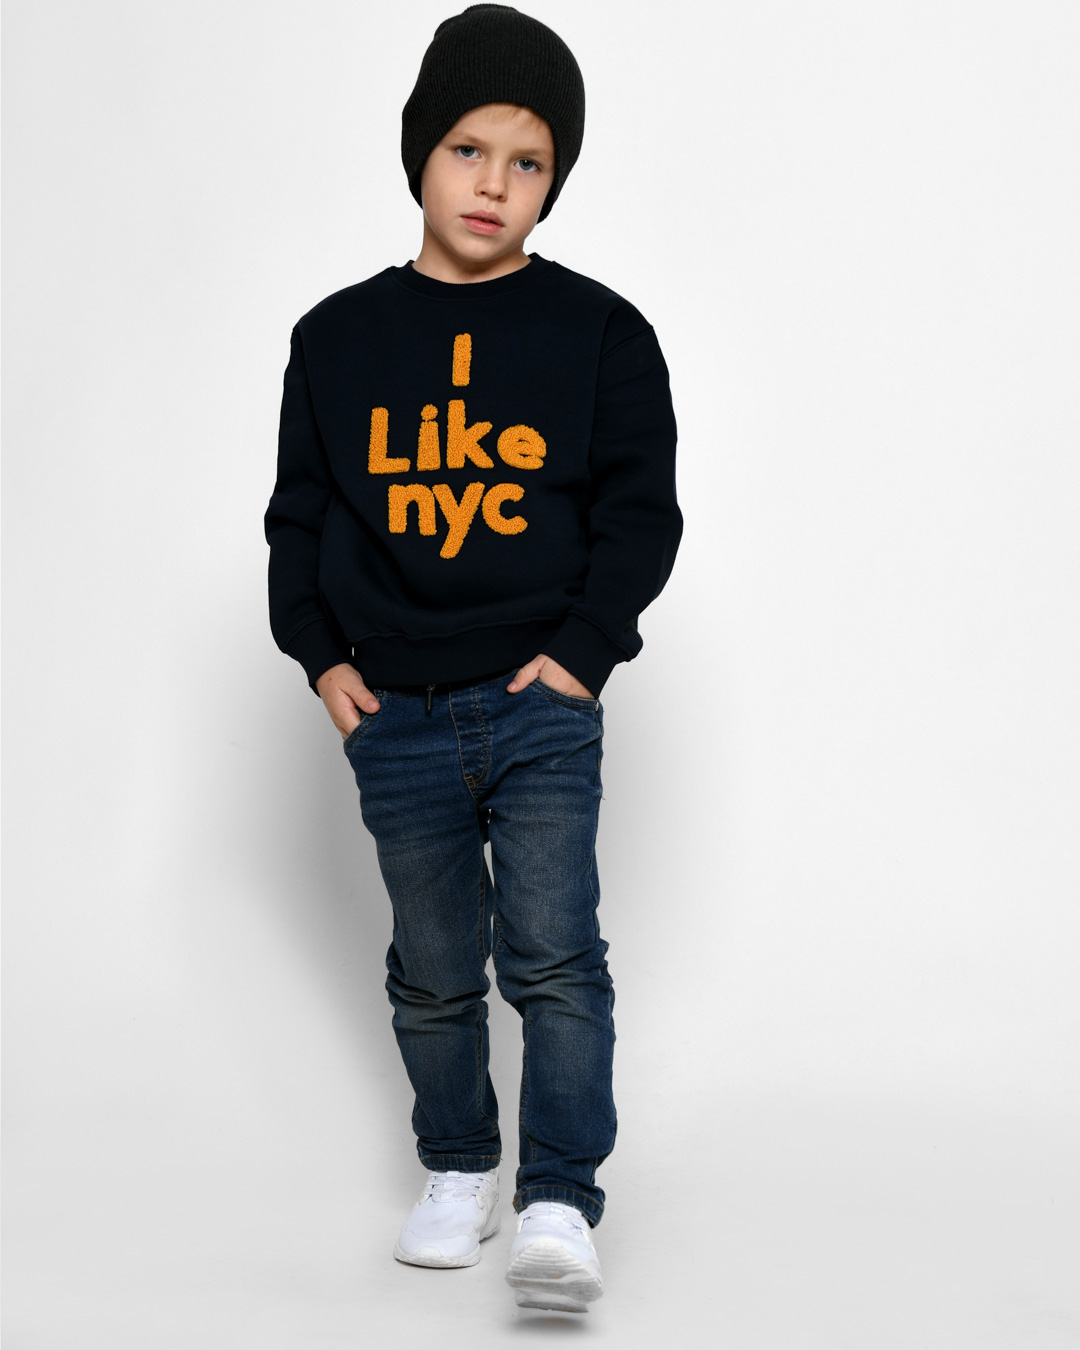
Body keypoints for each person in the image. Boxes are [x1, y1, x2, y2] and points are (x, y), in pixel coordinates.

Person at [264, 2, 682, 1315]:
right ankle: (459, 1165)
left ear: (555, 179)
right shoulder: (335, 340)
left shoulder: (602, 333)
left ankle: (559, 1194)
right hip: (393, 711)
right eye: (468, 149)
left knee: (555, 955)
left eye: (529, 160)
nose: (495, 183)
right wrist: (320, 658)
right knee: (434, 967)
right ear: (420, 152)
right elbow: (298, 516)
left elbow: (639, 514)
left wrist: (582, 655)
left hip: (538, 702)